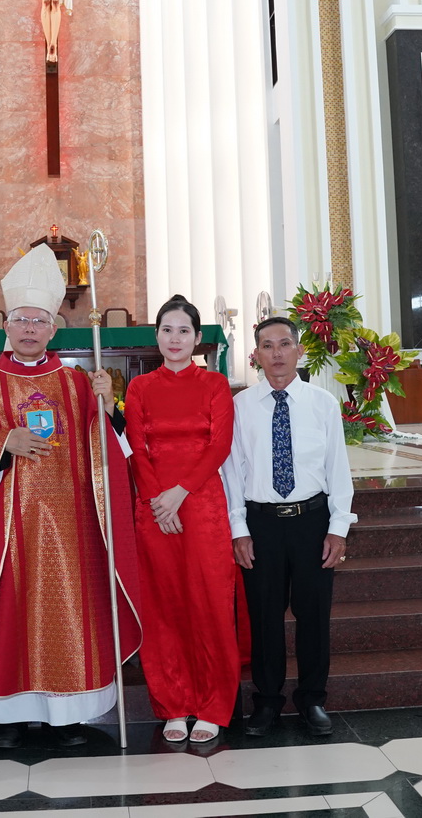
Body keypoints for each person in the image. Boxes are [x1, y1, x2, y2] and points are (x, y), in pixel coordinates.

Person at [0, 245, 141, 749]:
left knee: (67, 615)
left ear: (54, 330)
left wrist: (107, 407)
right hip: (4, 529)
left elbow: (113, 451)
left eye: (39, 321)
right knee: (7, 613)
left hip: (71, 530)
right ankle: (7, 716)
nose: (30, 329)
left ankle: (67, 717)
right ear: (6, 326)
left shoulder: (78, 383)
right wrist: (1, 443)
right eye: (21, 320)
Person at [227, 316, 354, 737]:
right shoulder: (241, 407)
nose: (277, 353)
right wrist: (239, 528)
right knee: (264, 616)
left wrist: (338, 528)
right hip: (261, 523)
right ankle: (266, 701)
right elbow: (233, 472)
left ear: (298, 350)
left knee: (313, 614)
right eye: (267, 346)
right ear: (256, 355)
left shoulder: (323, 403)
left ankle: (312, 699)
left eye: (284, 344)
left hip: (312, 522)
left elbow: (338, 468)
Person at [120, 295, 238, 744]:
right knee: (163, 607)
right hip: (153, 510)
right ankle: (173, 703)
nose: (175, 339)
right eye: (167, 330)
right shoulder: (140, 388)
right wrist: (157, 500)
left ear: (198, 338)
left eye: (183, 331)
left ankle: (212, 705)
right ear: (156, 337)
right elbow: (136, 447)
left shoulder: (214, 385)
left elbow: (219, 445)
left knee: (209, 605)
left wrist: (179, 492)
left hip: (202, 505)